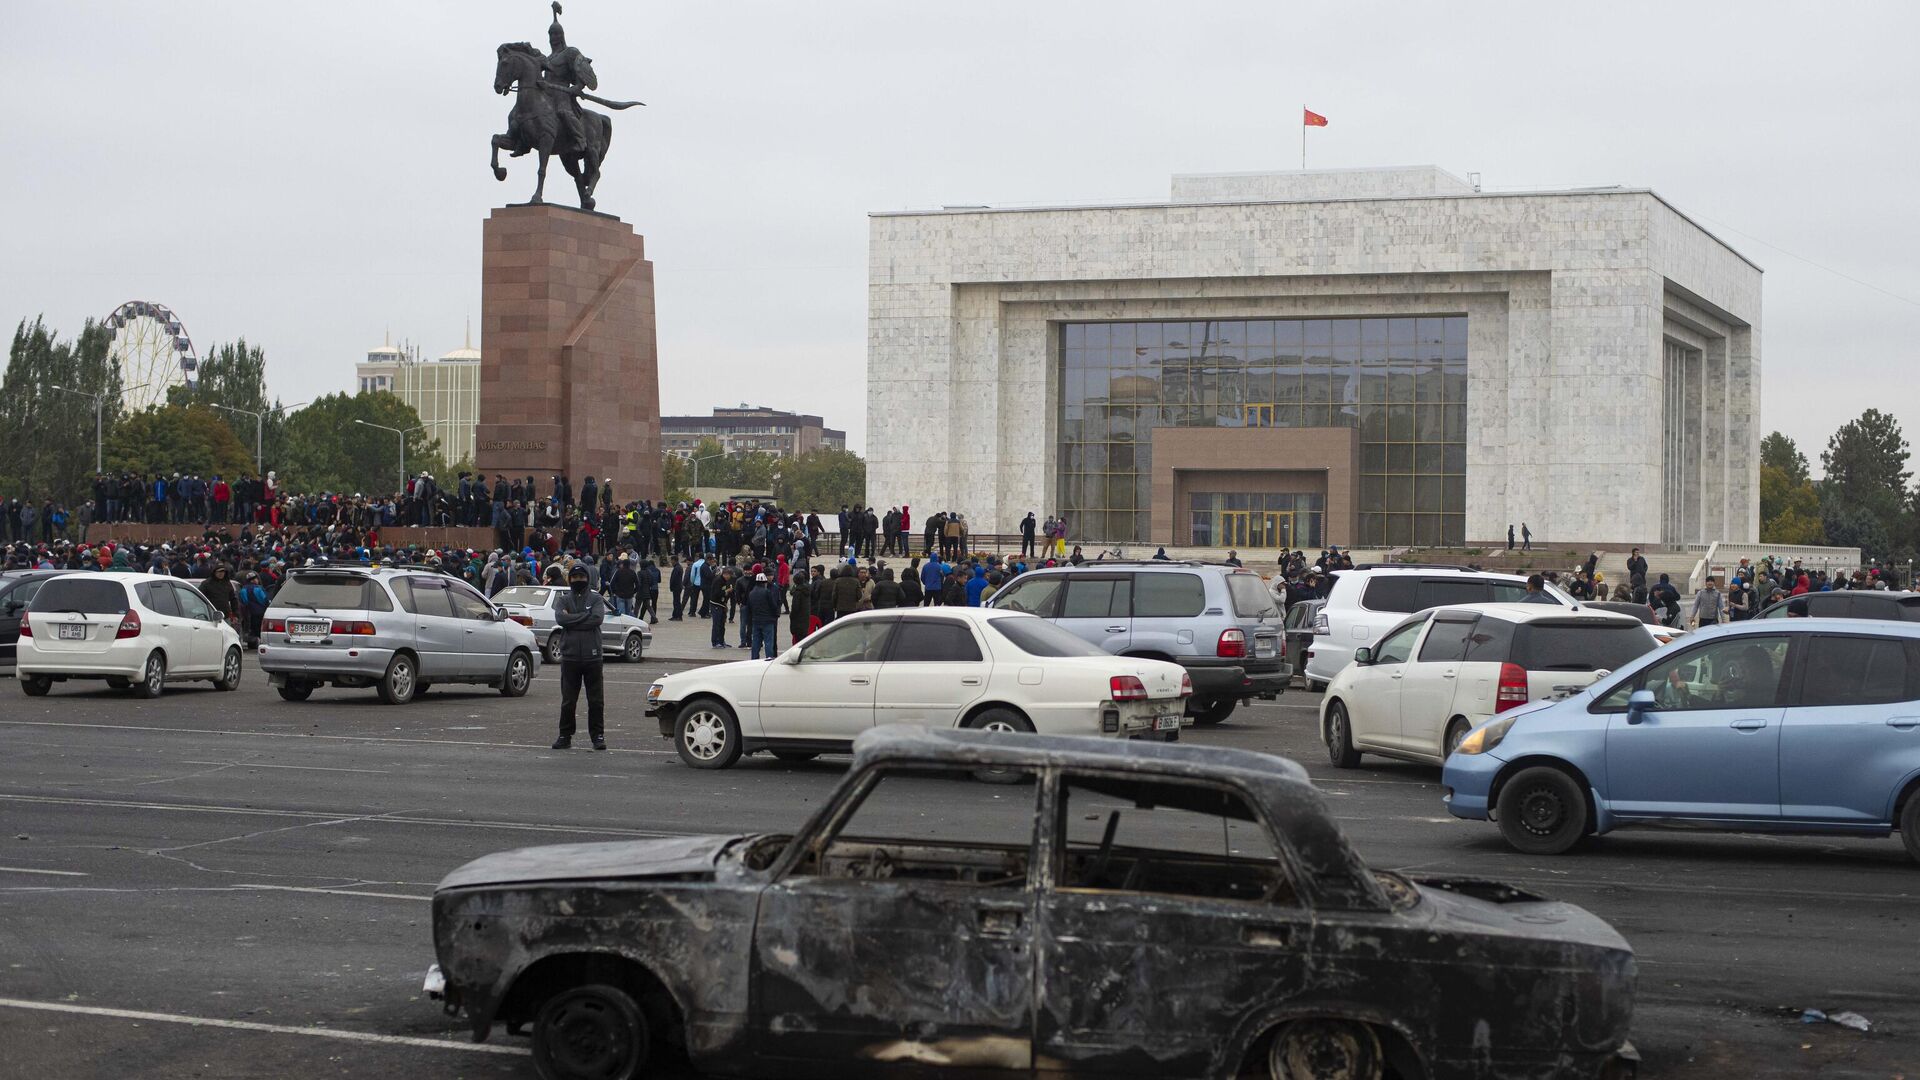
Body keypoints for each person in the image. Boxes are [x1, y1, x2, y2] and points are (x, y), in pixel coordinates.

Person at [550, 563, 607, 751]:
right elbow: (560, 619)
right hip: (570, 657)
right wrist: (585, 616)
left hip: (593, 657)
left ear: (587, 578)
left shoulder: (597, 598)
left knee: (596, 701)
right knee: (568, 701)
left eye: (581, 577)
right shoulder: (564, 599)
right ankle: (564, 735)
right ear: (570, 580)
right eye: (575, 578)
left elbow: (597, 619)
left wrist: (573, 619)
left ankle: (598, 736)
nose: (578, 580)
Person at [746, 572, 782, 659]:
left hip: (756, 620)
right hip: (768, 620)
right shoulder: (767, 592)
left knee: (756, 642)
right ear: (764, 582)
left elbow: (749, 608)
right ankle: (769, 658)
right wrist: (775, 615)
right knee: (768, 642)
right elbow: (773, 605)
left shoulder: (751, 593)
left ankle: (754, 659)